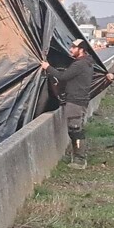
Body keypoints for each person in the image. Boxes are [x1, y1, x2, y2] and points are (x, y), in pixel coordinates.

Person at [40, 38, 96, 167]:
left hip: (75, 101)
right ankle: (78, 156)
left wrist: (48, 67)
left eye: (73, 48)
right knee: (76, 129)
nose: (70, 50)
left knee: (75, 130)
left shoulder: (79, 65)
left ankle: (80, 160)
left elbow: (63, 77)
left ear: (81, 50)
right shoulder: (87, 63)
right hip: (80, 100)